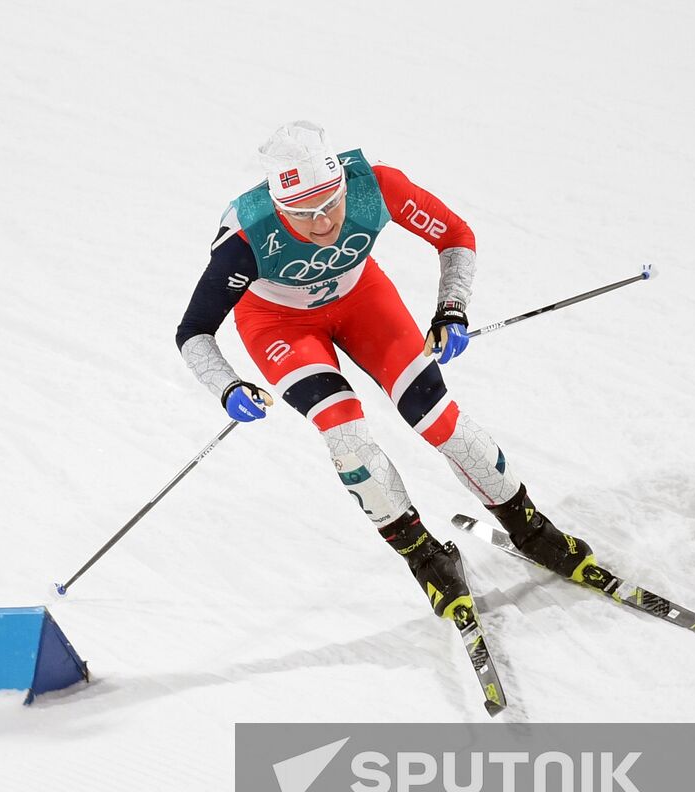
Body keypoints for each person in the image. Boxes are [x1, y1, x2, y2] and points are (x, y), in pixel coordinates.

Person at [174, 120, 595, 621]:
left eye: (331, 202)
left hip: (362, 301)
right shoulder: (247, 236)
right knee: (345, 432)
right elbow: (195, 330)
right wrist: (227, 387)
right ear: (278, 205)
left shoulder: (376, 185)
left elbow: (456, 236)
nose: (323, 222)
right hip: (278, 323)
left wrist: (452, 307)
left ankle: (532, 529)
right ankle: (425, 560)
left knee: (440, 419)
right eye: (303, 214)